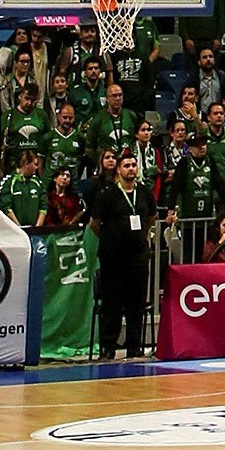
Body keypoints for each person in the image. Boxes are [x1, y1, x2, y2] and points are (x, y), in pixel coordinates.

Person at [92, 149, 153, 359]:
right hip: (113, 258)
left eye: (134, 165)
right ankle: (108, 346)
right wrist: (112, 239)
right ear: (118, 170)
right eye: (126, 166)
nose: (131, 169)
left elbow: (151, 217)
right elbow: (95, 224)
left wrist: (141, 236)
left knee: (136, 303)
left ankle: (134, 346)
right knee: (112, 303)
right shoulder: (108, 194)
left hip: (138, 257)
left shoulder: (144, 192)